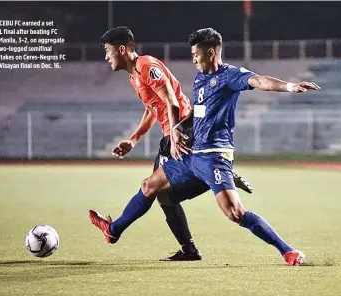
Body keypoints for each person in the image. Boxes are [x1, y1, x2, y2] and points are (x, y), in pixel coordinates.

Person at [90, 27, 320, 265]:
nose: (193, 60)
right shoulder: (200, 79)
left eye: (196, 55)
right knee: (151, 187)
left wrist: (290, 87)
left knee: (235, 213)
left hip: (212, 155)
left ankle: (288, 251)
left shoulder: (229, 75)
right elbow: (191, 113)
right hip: (192, 153)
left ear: (211, 53)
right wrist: (174, 129)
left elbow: (259, 80)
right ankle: (117, 230)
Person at [99, 26, 253, 261]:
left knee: (152, 188)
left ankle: (113, 231)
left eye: (108, 51)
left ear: (122, 49)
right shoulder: (134, 75)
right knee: (162, 194)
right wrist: (133, 139)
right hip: (176, 131)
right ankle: (188, 248)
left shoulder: (146, 66)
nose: (106, 57)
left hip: (184, 129)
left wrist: (174, 133)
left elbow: (170, 98)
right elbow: (154, 107)